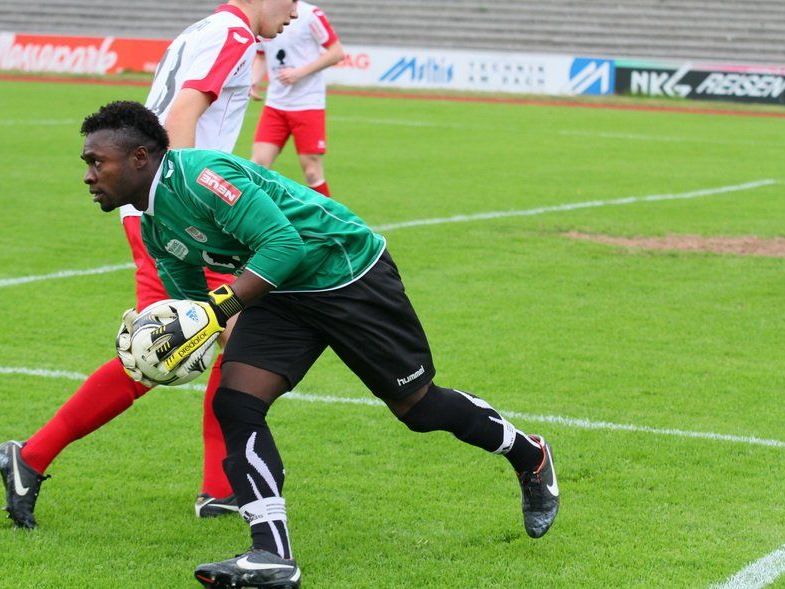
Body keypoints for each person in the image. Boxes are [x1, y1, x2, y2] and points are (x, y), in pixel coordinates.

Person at [78, 100, 560, 589]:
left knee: (419, 409)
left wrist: (217, 312)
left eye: (97, 162)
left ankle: (529, 455)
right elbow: (193, 303)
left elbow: (284, 242)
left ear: (140, 158)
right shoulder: (155, 224)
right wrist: (176, 345)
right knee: (237, 403)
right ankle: (272, 555)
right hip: (281, 290)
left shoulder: (202, 176)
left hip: (346, 274)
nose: (89, 175)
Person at [0, 0, 300, 529]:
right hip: (179, 216)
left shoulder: (207, 29)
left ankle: (219, 486)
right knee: (174, 345)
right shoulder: (231, 33)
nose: (297, 10)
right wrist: (178, 206)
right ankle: (32, 457)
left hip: (164, 213)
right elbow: (181, 114)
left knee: (205, 339)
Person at [250, 0, 344, 197]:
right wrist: (254, 81)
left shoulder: (311, 14)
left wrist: (299, 72)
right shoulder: (263, 15)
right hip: (275, 105)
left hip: (307, 103)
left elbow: (337, 52)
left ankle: (328, 223)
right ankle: (261, 221)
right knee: (257, 165)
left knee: (311, 171)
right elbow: (261, 57)